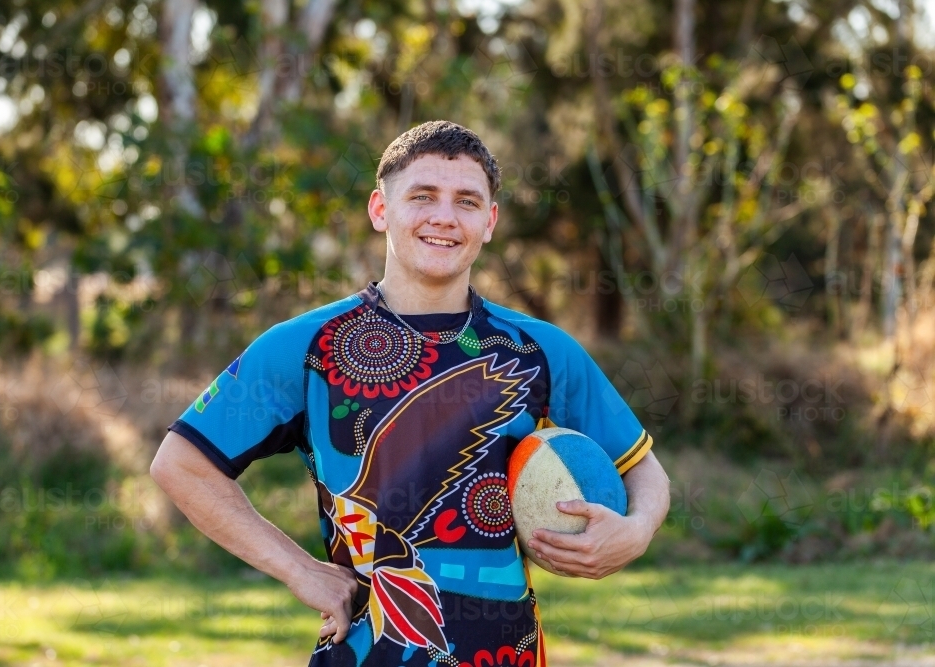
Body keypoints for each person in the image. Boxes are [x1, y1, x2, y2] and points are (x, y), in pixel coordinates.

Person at [150, 120, 671, 666]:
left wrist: (634, 533)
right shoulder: (307, 346)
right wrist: (300, 570)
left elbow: (643, 468)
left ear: (489, 222)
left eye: (467, 201)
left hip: (506, 654)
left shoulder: (541, 350)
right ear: (380, 210)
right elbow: (182, 464)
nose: (444, 217)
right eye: (422, 196)